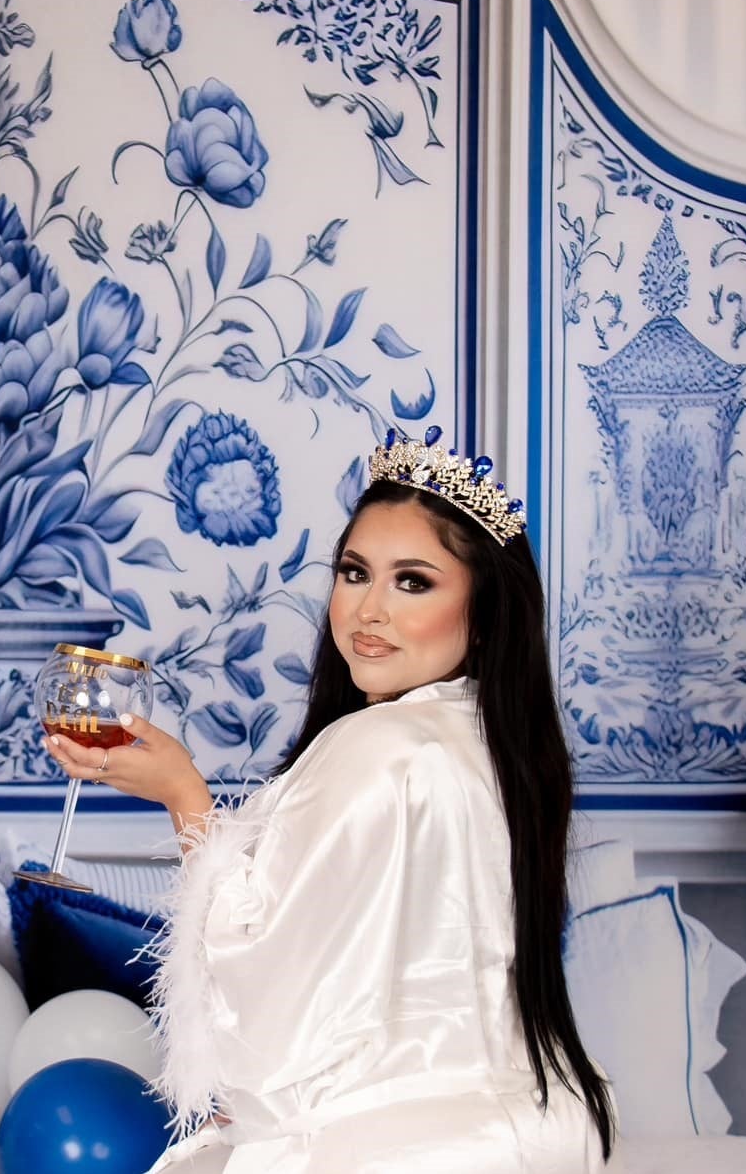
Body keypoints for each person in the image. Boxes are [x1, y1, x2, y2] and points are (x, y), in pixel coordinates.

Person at [44, 426, 616, 1173]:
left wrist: (184, 793)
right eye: (355, 572)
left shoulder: (381, 746)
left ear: (484, 613)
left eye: (413, 581)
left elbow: (268, 985)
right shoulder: (497, 745)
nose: (368, 609)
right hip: (538, 1131)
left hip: (397, 1147)